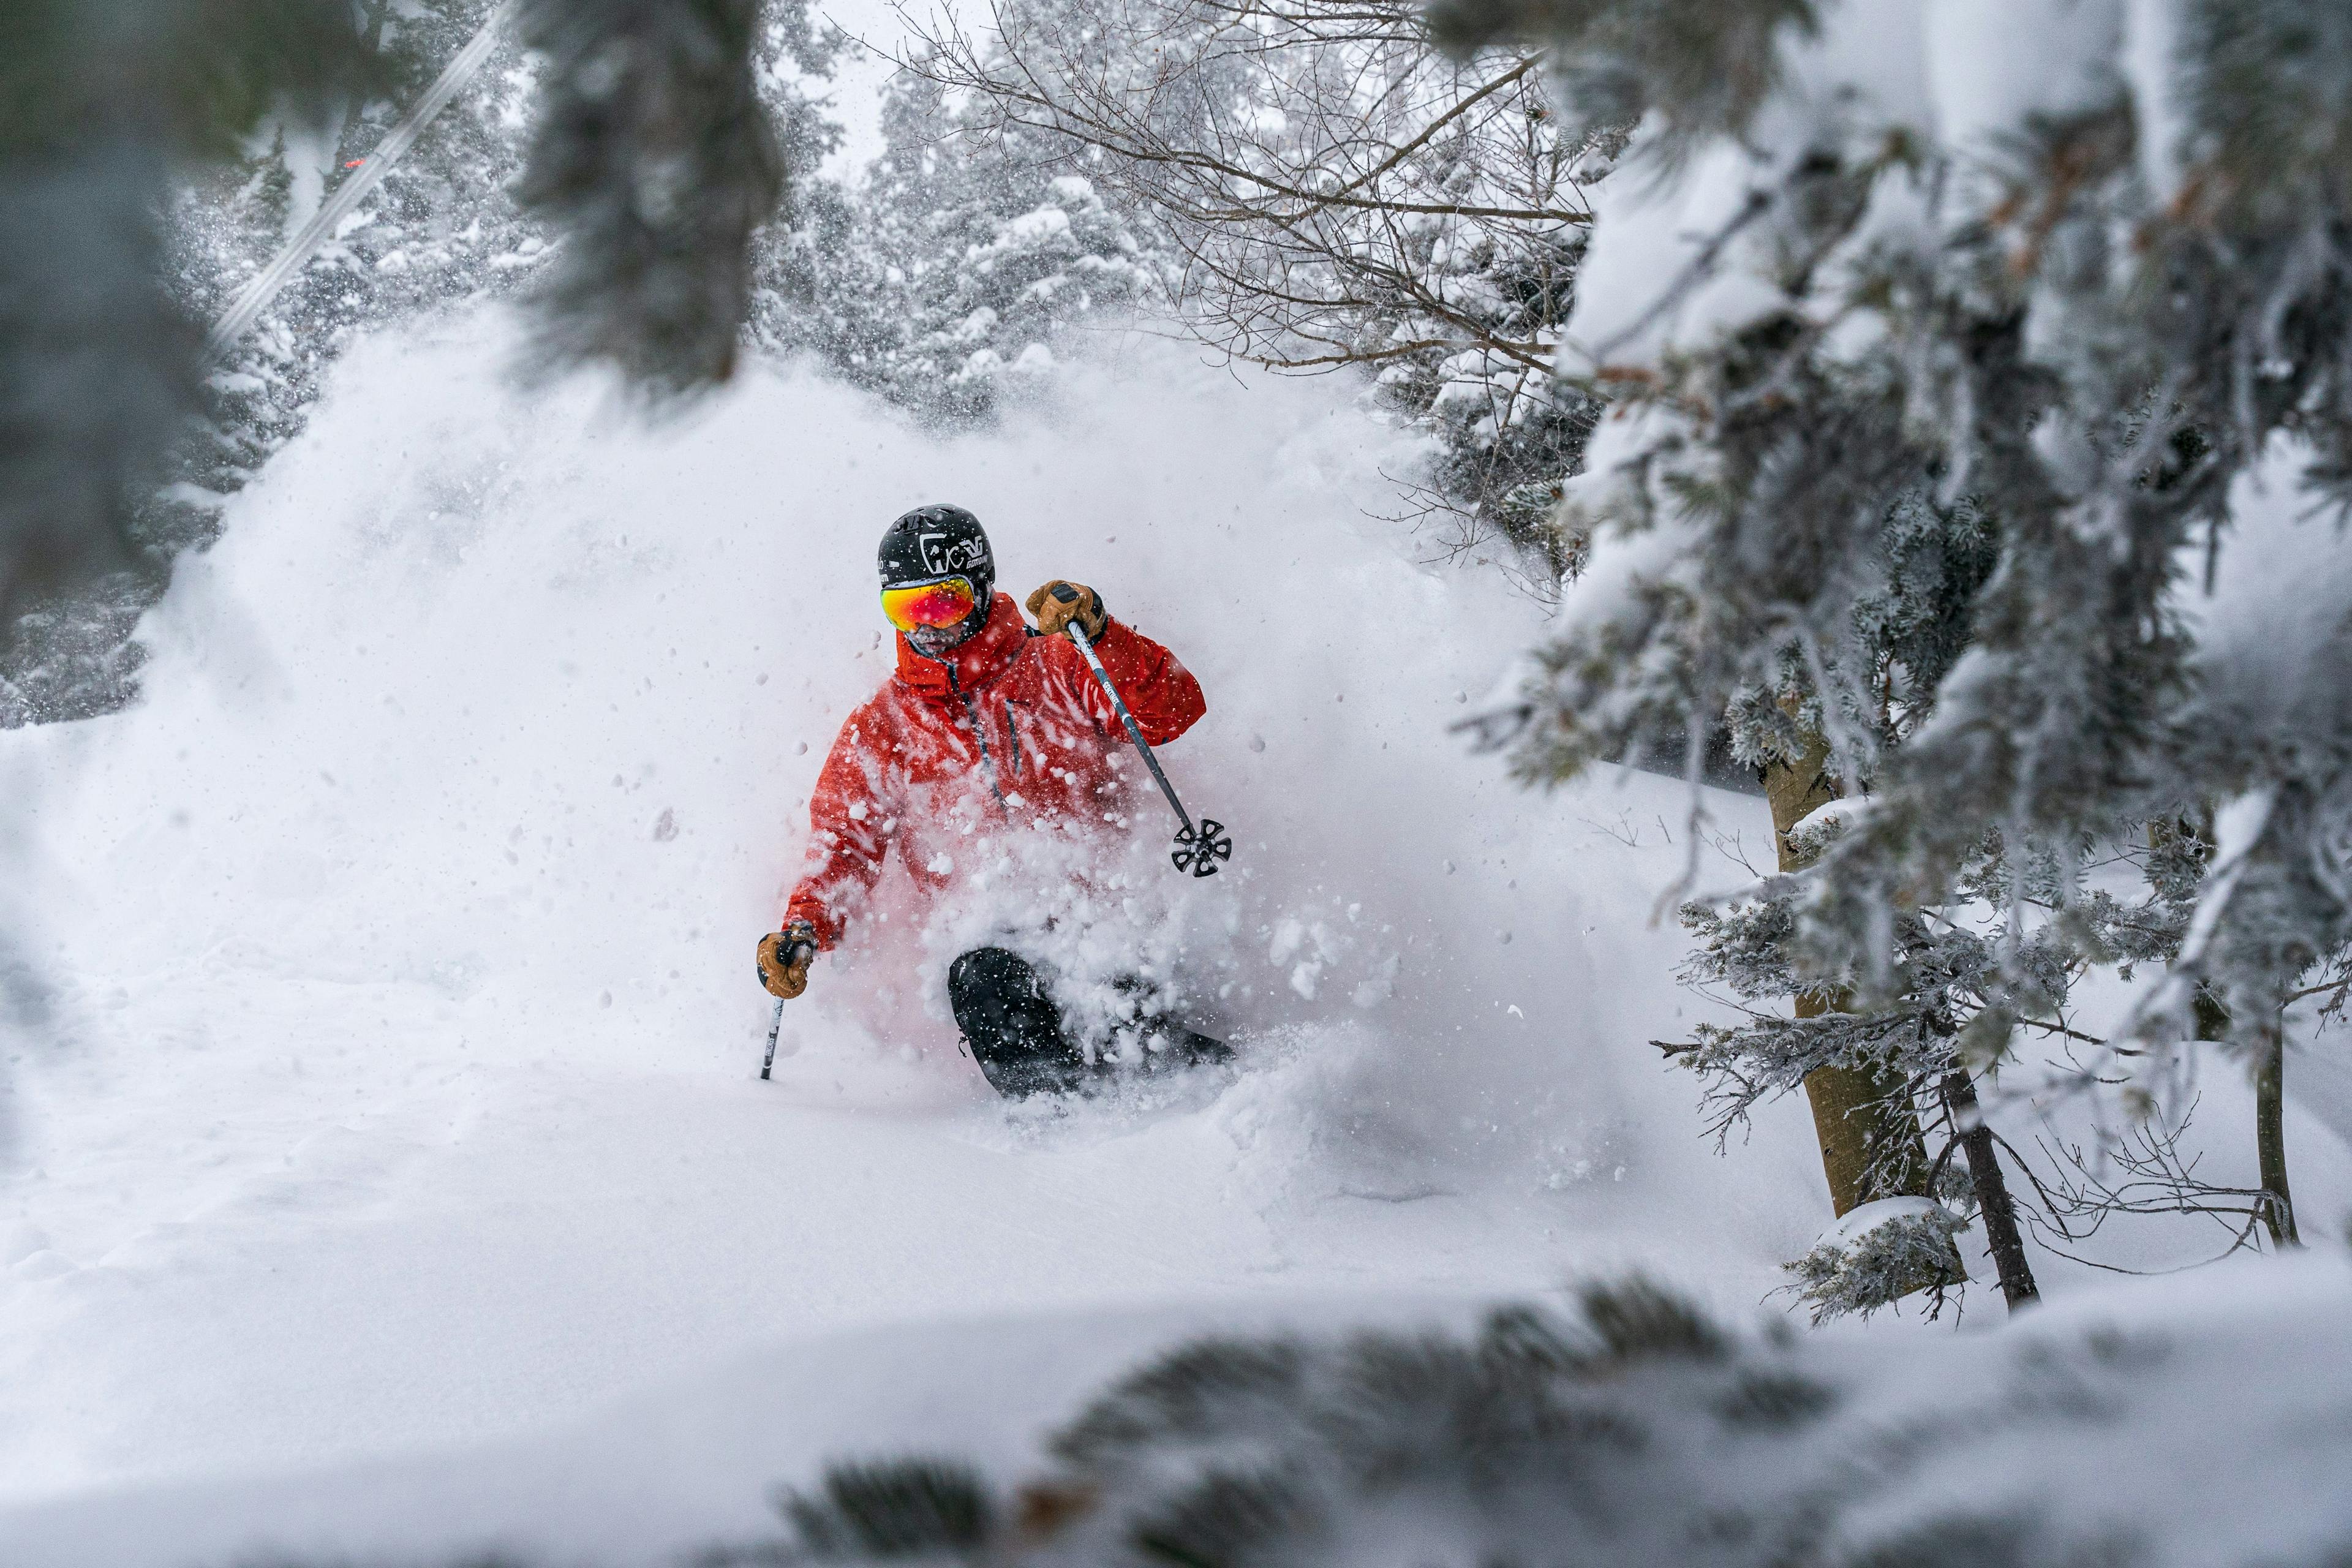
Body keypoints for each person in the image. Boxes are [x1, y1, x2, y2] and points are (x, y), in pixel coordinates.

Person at [756, 504, 1230, 1097]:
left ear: (980, 588)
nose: (926, 627)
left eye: (942, 603)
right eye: (906, 609)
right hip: (993, 935)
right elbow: (844, 840)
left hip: (1110, 918)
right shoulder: (888, 724)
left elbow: (1174, 709)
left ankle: (1219, 1107)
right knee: (983, 980)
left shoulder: (1058, 662)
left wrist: (1102, 634)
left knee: (1131, 1025)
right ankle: (1058, 1127)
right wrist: (805, 927)